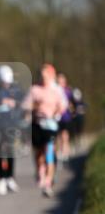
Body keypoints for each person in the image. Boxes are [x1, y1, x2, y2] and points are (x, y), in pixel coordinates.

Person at [22, 63, 68, 198]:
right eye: (42, 76)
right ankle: (40, 172)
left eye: (46, 76)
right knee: (39, 154)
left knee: (49, 152)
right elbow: (25, 106)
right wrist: (34, 106)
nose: (44, 78)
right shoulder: (34, 89)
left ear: (51, 76)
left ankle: (48, 183)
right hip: (37, 125)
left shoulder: (57, 90)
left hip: (51, 125)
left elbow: (63, 106)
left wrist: (55, 113)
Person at [0, 65, 23, 196]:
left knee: (11, 151)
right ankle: (1, 178)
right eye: (5, 82)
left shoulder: (15, 88)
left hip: (11, 125)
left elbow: (22, 101)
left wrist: (15, 103)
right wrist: (1, 101)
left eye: (8, 82)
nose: (7, 84)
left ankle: (10, 178)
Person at [56, 72, 74, 164]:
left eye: (62, 80)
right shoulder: (54, 91)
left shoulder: (68, 91)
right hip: (57, 116)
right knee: (58, 135)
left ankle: (66, 152)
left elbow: (72, 103)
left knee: (65, 135)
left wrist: (72, 110)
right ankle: (59, 152)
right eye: (58, 80)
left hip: (66, 116)